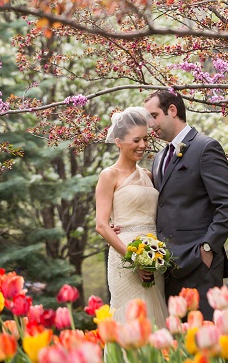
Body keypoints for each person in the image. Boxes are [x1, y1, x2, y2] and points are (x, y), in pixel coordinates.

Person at [145, 89, 228, 321]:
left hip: (199, 263)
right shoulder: (158, 158)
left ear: (172, 110)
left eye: (154, 116)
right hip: (168, 266)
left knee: (207, 341)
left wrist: (207, 248)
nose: (151, 126)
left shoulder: (205, 147)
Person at [94, 107, 168, 326]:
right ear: (118, 142)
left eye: (145, 139)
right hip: (125, 259)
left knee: (154, 317)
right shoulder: (109, 175)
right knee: (130, 320)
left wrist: (150, 259)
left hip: (154, 257)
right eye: (136, 140)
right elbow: (101, 225)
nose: (143, 145)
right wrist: (134, 259)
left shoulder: (148, 175)